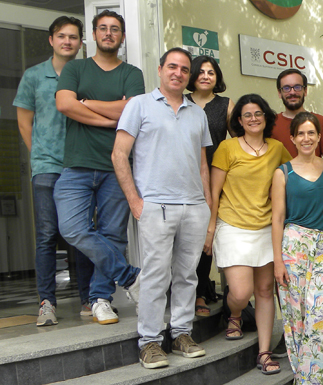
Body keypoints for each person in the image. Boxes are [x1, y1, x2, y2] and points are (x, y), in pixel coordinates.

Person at [112, 47, 212, 369]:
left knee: (187, 275)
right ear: (160, 70)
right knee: (156, 276)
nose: (178, 73)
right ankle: (150, 343)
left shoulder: (197, 112)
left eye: (184, 69)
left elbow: (202, 166)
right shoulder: (138, 105)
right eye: (172, 67)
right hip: (156, 205)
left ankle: (182, 333)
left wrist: (207, 207)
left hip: (194, 207)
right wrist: (135, 202)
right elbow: (119, 155)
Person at [54, 10, 143, 325]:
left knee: (113, 234)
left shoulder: (131, 73)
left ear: (121, 36)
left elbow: (132, 110)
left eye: (115, 29)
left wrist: (87, 103)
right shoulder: (76, 67)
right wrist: (112, 117)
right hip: (77, 165)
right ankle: (129, 275)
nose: (109, 33)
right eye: (103, 28)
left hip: (115, 166)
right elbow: (64, 104)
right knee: (73, 228)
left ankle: (101, 299)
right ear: (93, 34)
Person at [13, 16, 95, 326]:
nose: (67, 42)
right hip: (47, 168)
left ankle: (89, 299)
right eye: (62, 36)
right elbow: (24, 121)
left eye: (73, 37)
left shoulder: (88, 74)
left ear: (80, 42)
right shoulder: (34, 76)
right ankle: (47, 302)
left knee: (82, 235)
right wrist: (40, 156)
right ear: (51, 40)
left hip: (81, 165)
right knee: (47, 236)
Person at [205, 94, 292, 375]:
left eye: (258, 113)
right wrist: (210, 228)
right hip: (232, 225)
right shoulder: (227, 148)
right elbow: (214, 192)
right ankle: (235, 313)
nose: (253, 118)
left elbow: (295, 177)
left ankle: (264, 353)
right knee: (241, 292)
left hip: (267, 228)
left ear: (265, 118)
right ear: (239, 121)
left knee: (266, 291)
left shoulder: (278, 148)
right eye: (247, 115)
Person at [271, 112, 323, 384]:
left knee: (322, 313)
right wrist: (278, 261)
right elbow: (277, 218)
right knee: (296, 317)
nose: (306, 138)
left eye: (311, 133)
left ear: (319, 137)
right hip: (294, 246)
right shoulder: (283, 172)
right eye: (300, 133)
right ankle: (305, 379)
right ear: (292, 138)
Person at [186, 55, 235, 317]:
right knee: (187, 235)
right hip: (185, 175)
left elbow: (239, 139)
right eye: (201, 71)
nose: (206, 76)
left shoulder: (226, 105)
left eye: (211, 72)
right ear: (192, 75)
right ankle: (185, 290)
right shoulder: (181, 102)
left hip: (216, 175)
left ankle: (202, 291)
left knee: (208, 232)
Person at [272, 69, 323, 161]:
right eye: (286, 88)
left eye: (297, 87)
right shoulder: (271, 123)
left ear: (305, 91)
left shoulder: (320, 121)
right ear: (279, 93)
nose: (292, 92)